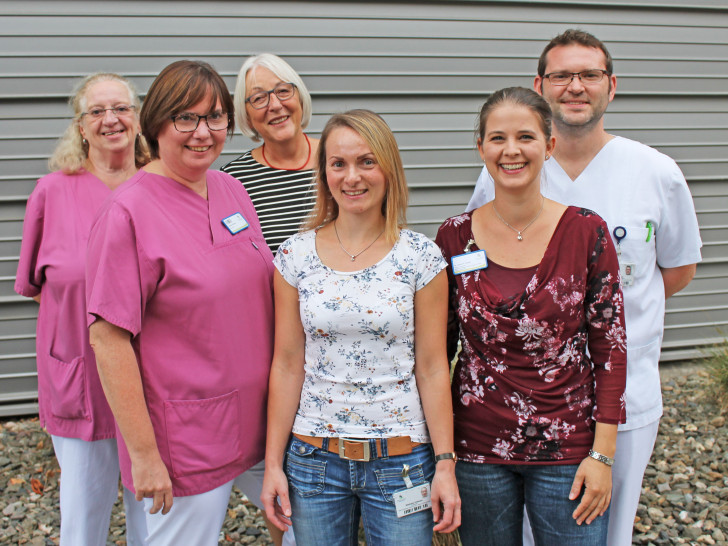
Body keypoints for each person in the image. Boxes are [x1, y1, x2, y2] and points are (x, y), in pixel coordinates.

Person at [466, 30, 703, 545]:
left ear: (610, 86)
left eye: (589, 75)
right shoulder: (510, 166)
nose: (575, 87)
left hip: (627, 389)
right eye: (561, 76)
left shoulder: (656, 172)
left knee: (606, 529)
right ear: (540, 86)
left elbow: (677, 270)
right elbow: (475, 273)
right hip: (521, 402)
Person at [86, 60, 277, 546]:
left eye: (215, 117)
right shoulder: (127, 212)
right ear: (156, 125)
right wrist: (145, 455)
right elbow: (108, 340)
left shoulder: (232, 190)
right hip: (188, 437)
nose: (202, 133)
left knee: (307, 529)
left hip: (263, 421)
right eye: (185, 118)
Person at [437, 87, 627, 545]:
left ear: (549, 145)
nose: (511, 150)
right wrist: (440, 454)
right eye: (497, 138)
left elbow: (610, 349)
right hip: (478, 449)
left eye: (525, 136)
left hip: (569, 449)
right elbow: (434, 352)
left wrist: (602, 456)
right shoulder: (453, 237)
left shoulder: (587, 230)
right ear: (481, 147)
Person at [261, 109, 461, 545]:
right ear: (324, 172)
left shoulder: (420, 258)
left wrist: (445, 463)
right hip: (314, 460)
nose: (352, 177)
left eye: (366, 162)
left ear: (388, 168)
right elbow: (287, 363)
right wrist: (273, 463)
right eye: (339, 163)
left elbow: (431, 367)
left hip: (402, 461)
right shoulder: (294, 256)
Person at [15, 72, 149, 546]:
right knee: (82, 518)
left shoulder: (161, 187)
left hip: (152, 382)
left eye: (122, 108)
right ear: (81, 126)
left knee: (154, 516)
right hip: (80, 380)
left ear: (138, 118)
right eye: (98, 111)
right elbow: (36, 286)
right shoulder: (51, 191)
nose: (111, 119)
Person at [221, 53, 319, 253]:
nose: (275, 105)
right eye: (258, 98)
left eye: (283, 90)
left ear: (300, 97)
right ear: (246, 115)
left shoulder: (339, 160)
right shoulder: (233, 180)